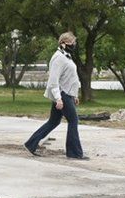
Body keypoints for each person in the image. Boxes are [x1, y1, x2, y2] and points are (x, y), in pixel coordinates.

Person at [24, 31, 88, 160]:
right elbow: (53, 81)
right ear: (63, 43)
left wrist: (75, 95)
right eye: (72, 43)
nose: (74, 45)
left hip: (67, 94)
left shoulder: (66, 56)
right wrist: (58, 98)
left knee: (54, 121)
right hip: (62, 93)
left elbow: (70, 78)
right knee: (73, 120)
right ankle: (74, 153)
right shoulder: (58, 58)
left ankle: (31, 143)